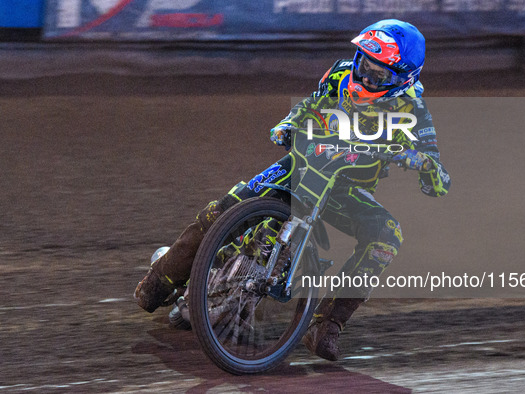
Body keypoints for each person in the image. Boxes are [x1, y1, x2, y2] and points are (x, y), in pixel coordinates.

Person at [134, 19, 451, 361]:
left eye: (377, 74)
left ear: (403, 78)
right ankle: (160, 279)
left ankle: (325, 325)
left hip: (344, 189)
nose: (364, 76)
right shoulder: (340, 74)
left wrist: (424, 166)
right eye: (363, 64)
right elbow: (310, 106)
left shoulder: (414, 112)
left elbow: (439, 180)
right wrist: (289, 123)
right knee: (224, 209)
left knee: (387, 236)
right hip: (303, 165)